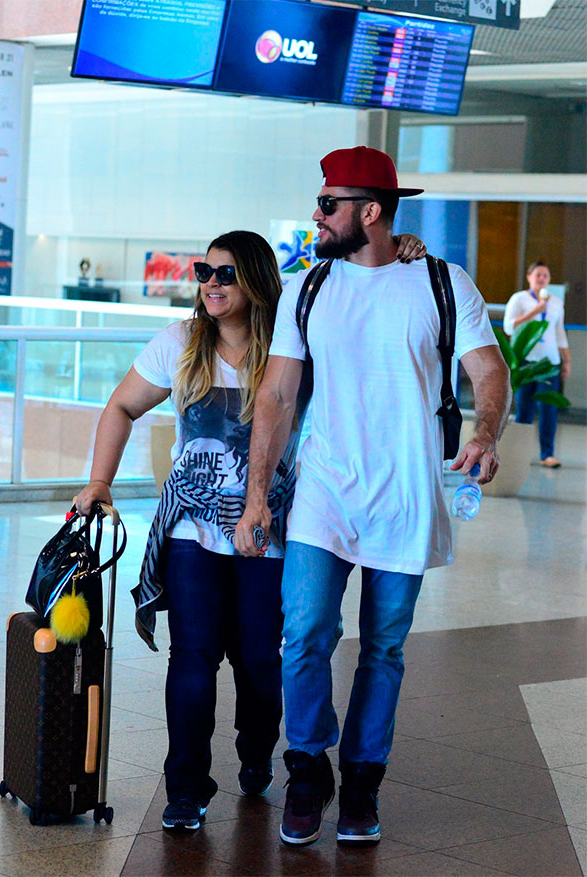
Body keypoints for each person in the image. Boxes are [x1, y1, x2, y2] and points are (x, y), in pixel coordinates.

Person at [76, 227, 427, 834]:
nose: (211, 284)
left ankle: (257, 756)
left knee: (262, 663)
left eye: (226, 273)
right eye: (204, 272)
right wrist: (99, 482)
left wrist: (401, 250)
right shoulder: (181, 343)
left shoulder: (296, 341)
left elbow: (358, 284)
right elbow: (121, 407)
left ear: (259, 282)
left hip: (274, 528)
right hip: (192, 530)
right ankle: (186, 787)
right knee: (191, 659)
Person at [235, 147, 511, 848]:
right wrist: (257, 496)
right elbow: (277, 393)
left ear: (371, 212)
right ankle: (306, 768)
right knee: (304, 634)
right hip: (325, 496)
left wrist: (484, 431)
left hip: (405, 498)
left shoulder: (443, 283)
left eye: (328, 204)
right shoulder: (309, 287)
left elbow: (489, 369)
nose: (316, 215)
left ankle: (361, 780)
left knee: (384, 647)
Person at [503, 260, 571, 467]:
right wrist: (535, 311)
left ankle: (547, 454)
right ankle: (520, 453)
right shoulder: (519, 299)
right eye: (538, 275)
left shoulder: (557, 303)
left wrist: (566, 361)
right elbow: (508, 328)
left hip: (549, 362)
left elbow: (559, 334)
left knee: (548, 408)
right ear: (529, 277)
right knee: (524, 408)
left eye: (546, 276)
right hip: (525, 361)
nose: (542, 279)